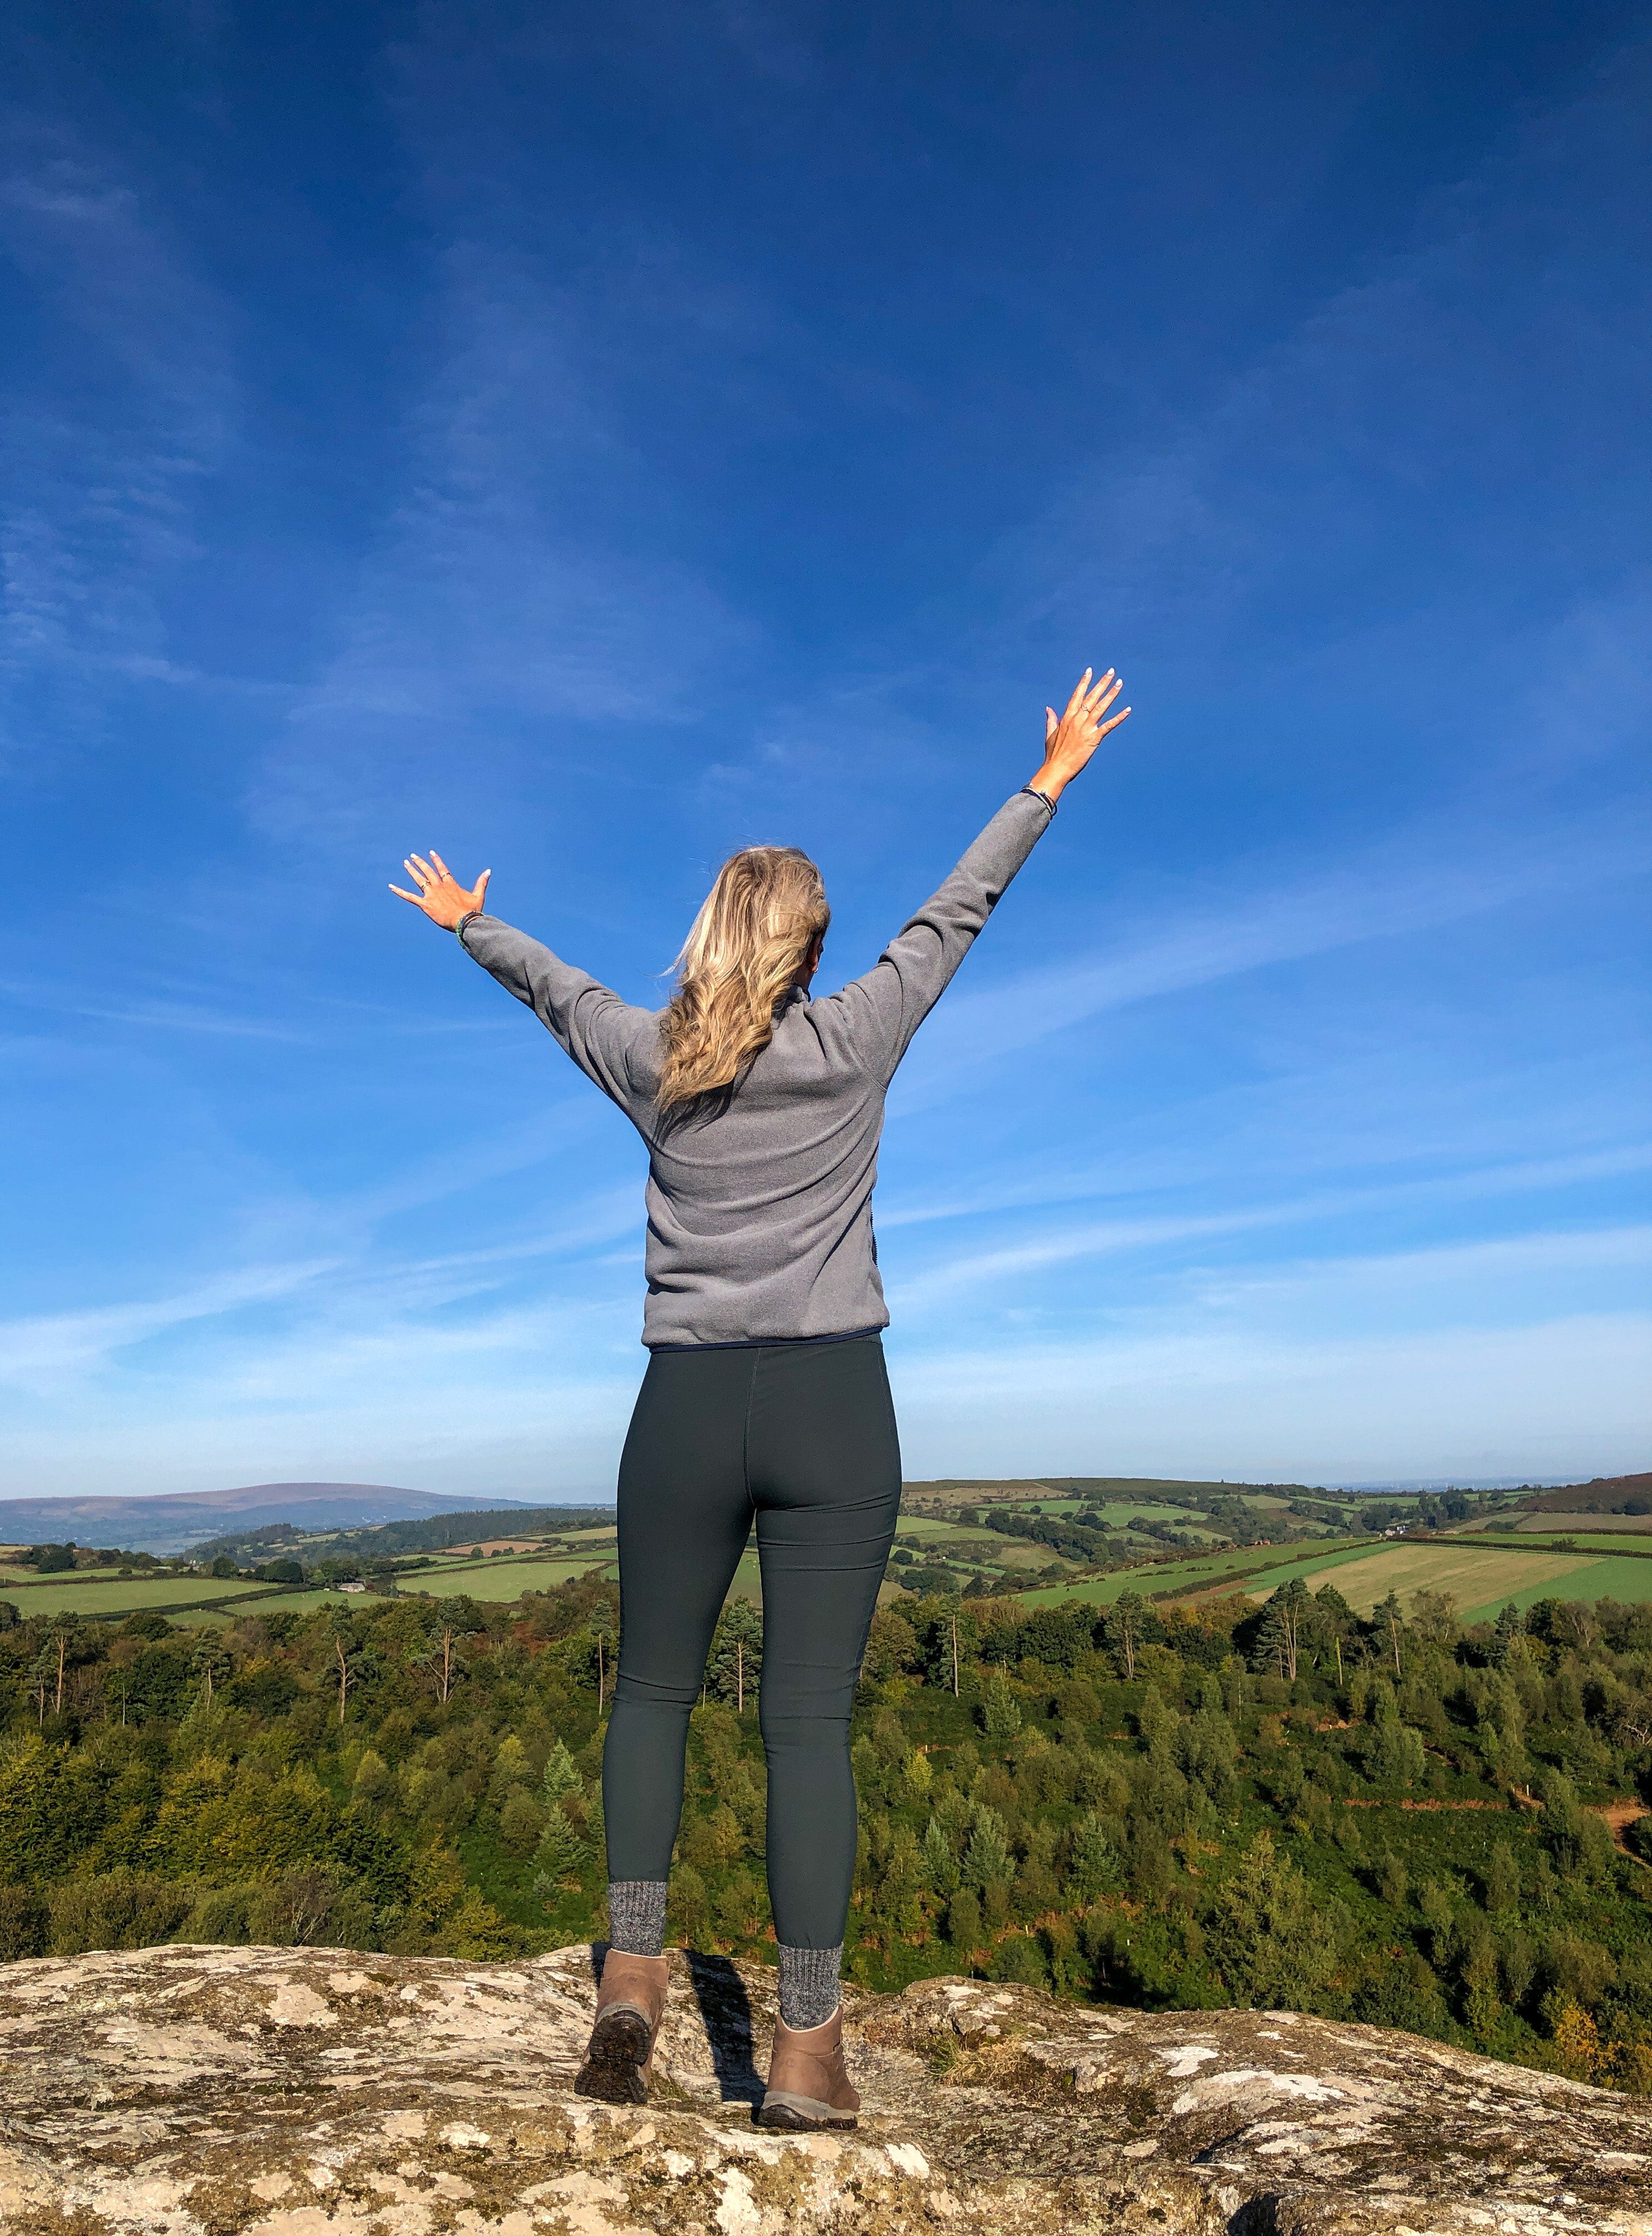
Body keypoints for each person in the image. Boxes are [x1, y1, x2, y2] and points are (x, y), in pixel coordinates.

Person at [390, 665, 1130, 2127]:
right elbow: (956, 916)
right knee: (806, 1725)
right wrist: (1049, 777)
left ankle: (632, 1981)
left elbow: (557, 992)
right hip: (833, 1408)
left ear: (712, 938)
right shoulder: (852, 1042)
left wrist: (474, 926)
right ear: (804, 953)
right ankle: (803, 2054)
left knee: (654, 1691)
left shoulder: (651, 1059)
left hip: (682, 1410)